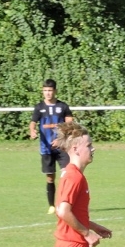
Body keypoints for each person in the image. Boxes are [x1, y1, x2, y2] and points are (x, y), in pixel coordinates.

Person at [29, 79, 74, 213]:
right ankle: (52, 205)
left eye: (50, 90)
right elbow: (33, 122)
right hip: (46, 148)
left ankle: (66, 204)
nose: (48, 93)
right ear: (43, 91)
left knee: (66, 175)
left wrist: (61, 139)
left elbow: (70, 123)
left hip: (62, 147)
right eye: (45, 90)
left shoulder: (63, 106)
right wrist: (32, 130)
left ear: (55, 91)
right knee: (50, 177)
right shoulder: (39, 107)